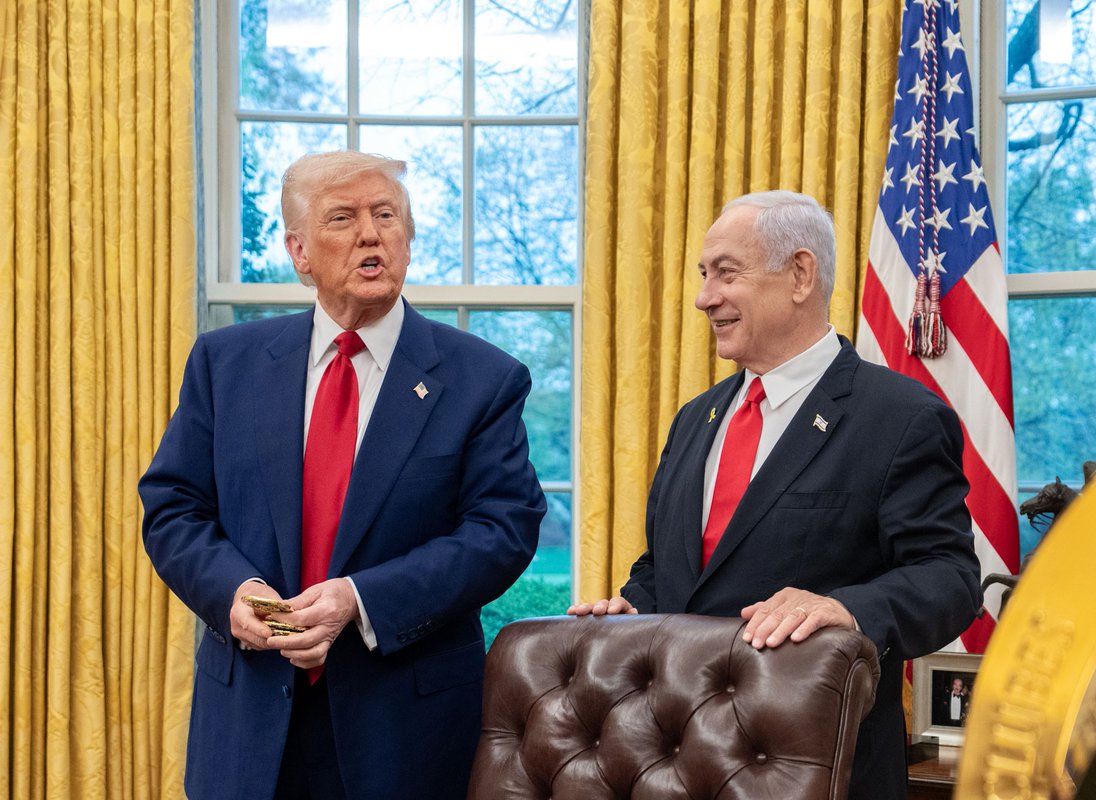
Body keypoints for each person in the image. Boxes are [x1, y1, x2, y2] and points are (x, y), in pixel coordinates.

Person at [140, 151, 546, 800]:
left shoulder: (484, 379)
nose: (370, 234)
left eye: (386, 215)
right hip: (248, 726)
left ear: (408, 239)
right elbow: (174, 506)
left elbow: (502, 530)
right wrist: (236, 594)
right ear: (299, 252)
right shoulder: (225, 364)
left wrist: (359, 600)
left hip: (405, 733)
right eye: (342, 218)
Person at [569, 191, 981, 800]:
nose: (704, 297)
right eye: (704, 275)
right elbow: (667, 568)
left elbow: (950, 579)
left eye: (726, 273)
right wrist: (633, 609)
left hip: (816, 765)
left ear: (800, 275)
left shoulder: (900, 417)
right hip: (675, 762)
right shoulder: (695, 419)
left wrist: (846, 608)